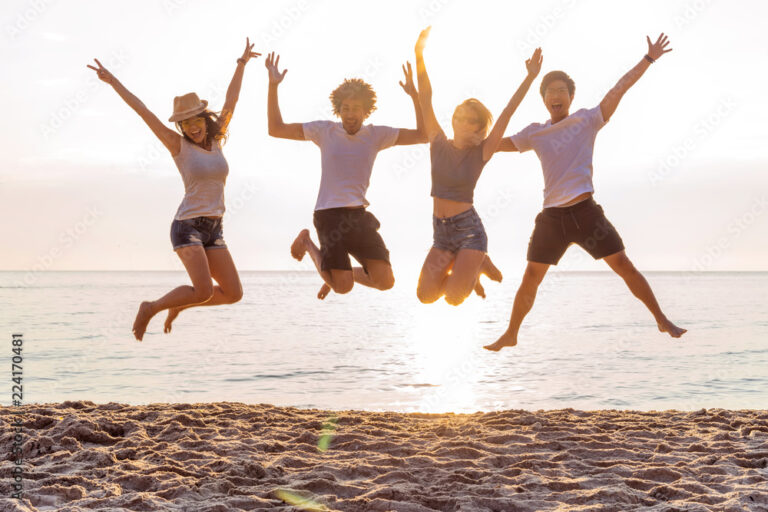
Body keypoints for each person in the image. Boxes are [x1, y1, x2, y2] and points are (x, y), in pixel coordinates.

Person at [485, 33, 686, 351]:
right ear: (544, 99)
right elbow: (492, 145)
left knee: (624, 265)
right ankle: (511, 333)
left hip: (585, 212)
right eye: (550, 92)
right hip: (552, 218)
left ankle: (661, 318)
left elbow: (618, 90)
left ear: (570, 96)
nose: (556, 95)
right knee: (531, 277)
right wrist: (459, 140)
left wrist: (647, 59)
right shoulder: (534, 133)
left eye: (561, 91)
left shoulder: (587, 120)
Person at [87, 39, 261, 341]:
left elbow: (231, 102)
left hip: (215, 229)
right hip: (187, 227)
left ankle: (182, 304)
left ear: (204, 119)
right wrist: (113, 81)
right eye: (185, 123)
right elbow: (144, 112)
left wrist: (241, 64)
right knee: (204, 290)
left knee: (233, 293)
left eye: (196, 121)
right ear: (180, 126)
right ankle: (151, 307)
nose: (192, 127)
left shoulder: (217, 139)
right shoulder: (177, 145)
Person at [264, 52, 426, 299]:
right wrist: (273, 86)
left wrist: (416, 97)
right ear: (338, 110)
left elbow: (423, 135)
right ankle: (308, 243)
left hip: (359, 216)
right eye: (346, 108)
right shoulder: (324, 131)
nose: (351, 114)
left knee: (385, 281)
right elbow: (276, 129)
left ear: (366, 111)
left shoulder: (377, 135)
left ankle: (336, 273)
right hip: (329, 216)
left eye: (356, 109)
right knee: (343, 287)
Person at [413, 27, 542, 305]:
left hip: (469, 230)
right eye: (460, 116)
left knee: (454, 297)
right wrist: (419, 54)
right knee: (425, 296)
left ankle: (476, 262)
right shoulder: (438, 142)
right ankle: (473, 267)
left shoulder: (481, 152)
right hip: (441, 232)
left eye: (472, 120)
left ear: (479, 127)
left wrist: (530, 77)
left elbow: (507, 113)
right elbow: (426, 98)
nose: (463, 122)